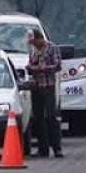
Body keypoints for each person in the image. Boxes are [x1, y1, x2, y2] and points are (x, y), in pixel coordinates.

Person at [26, 30, 63, 158]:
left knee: (51, 117)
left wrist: (44, 68)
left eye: (35, 42)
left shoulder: (52, 48)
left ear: (40, 39)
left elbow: (58, 65)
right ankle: (43, 148)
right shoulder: (33, 50)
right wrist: (31, 68)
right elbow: (30, 65)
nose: (34, 45)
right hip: (36, 87)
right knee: (38, 118)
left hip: (48, 86)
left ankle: (57, 148)